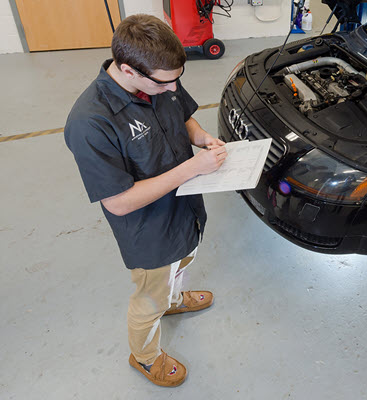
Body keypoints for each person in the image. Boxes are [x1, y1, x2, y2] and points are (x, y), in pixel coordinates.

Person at [64, 14, 227, 387]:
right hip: (150, 231)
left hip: (184, 210)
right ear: (128, 69)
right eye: (165, 83)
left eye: (176, 79)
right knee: (149, 298)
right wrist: (192, 168)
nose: (173, 89)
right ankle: (145, 356)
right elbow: (118, 202)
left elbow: (183, 114)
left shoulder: (161, 76)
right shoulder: (91, 122)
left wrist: (201, 139)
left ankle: (174, 299)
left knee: (183, 261)